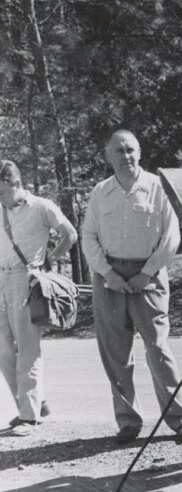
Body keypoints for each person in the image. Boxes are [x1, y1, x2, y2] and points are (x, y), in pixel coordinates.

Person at [82, 129, 182, 444]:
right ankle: (128, 422)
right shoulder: (99, 192)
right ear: (108, 156)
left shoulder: (158, 188)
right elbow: (88, 237)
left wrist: (147, 272)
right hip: (110, 279)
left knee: (158, 348)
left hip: (149, 275)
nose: (126, 156)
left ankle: (180, 419)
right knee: (115, 353)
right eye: (118, 150)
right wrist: (107, 273)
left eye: (131, 149)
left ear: (140, 153)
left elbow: (171, 235)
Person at [0, 160, 78, 436]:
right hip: (2, 279)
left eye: (1, 191)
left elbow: (70, 234)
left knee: (28, 347)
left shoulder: (42, 207)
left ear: (16, 183)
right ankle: (31, 402)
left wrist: (50, 260)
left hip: (27, 279)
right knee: (4, 350)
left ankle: (29, 417)